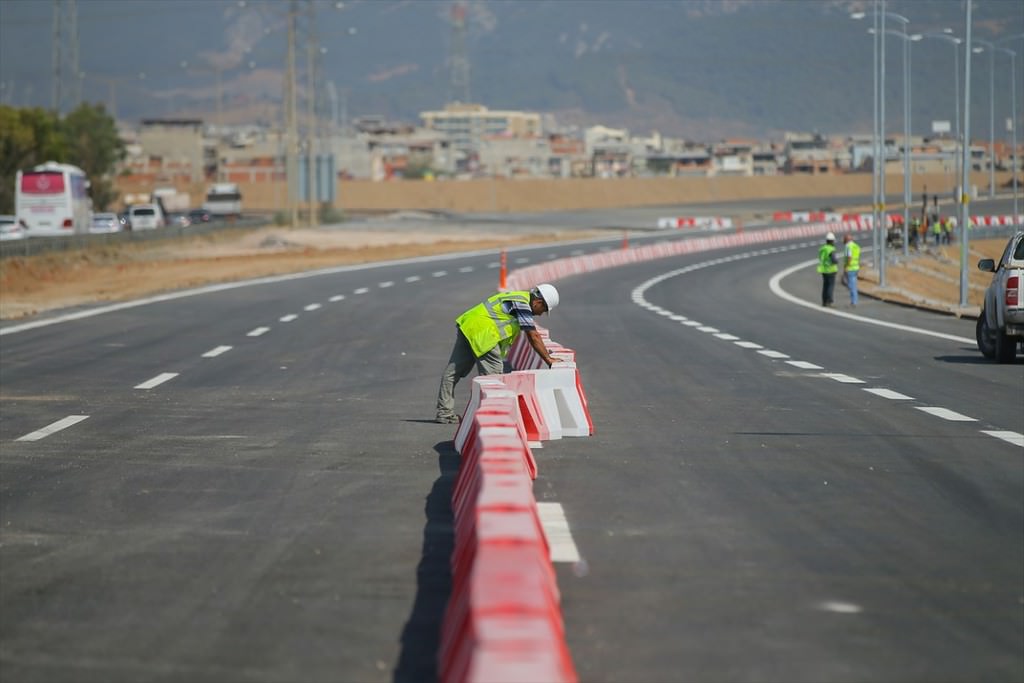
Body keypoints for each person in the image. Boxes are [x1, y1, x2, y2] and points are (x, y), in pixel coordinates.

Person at [435, 284, 560, 424]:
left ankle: (444, 413)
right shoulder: (523, 305)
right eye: (543, 310)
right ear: (538, 302)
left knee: (452, 372)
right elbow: (533, 335)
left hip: (468, 327)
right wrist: (548, 359)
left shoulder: (517, 296)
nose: (541, 314)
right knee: (494, 380)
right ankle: (492, 417)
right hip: (485, 335)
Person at [818, 232, 839, 307]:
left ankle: (824, 301)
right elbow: (834, 260)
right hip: (831, 270)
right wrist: (837, 261)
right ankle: (829, 301)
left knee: (825, 286)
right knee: (830, 286)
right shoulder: (831, 249)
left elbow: (821, 258)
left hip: (824, 270)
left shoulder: (822, 249)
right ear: (832, 241)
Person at [843, 233, 860, 307]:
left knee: (851, 286)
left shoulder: (848, 246)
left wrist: (846, 267)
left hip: (850, 268)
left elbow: (849, 257)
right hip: (856, 267)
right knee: (853, 285)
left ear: (846, 239)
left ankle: (854, 302)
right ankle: (854, 301)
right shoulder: (856, 246)